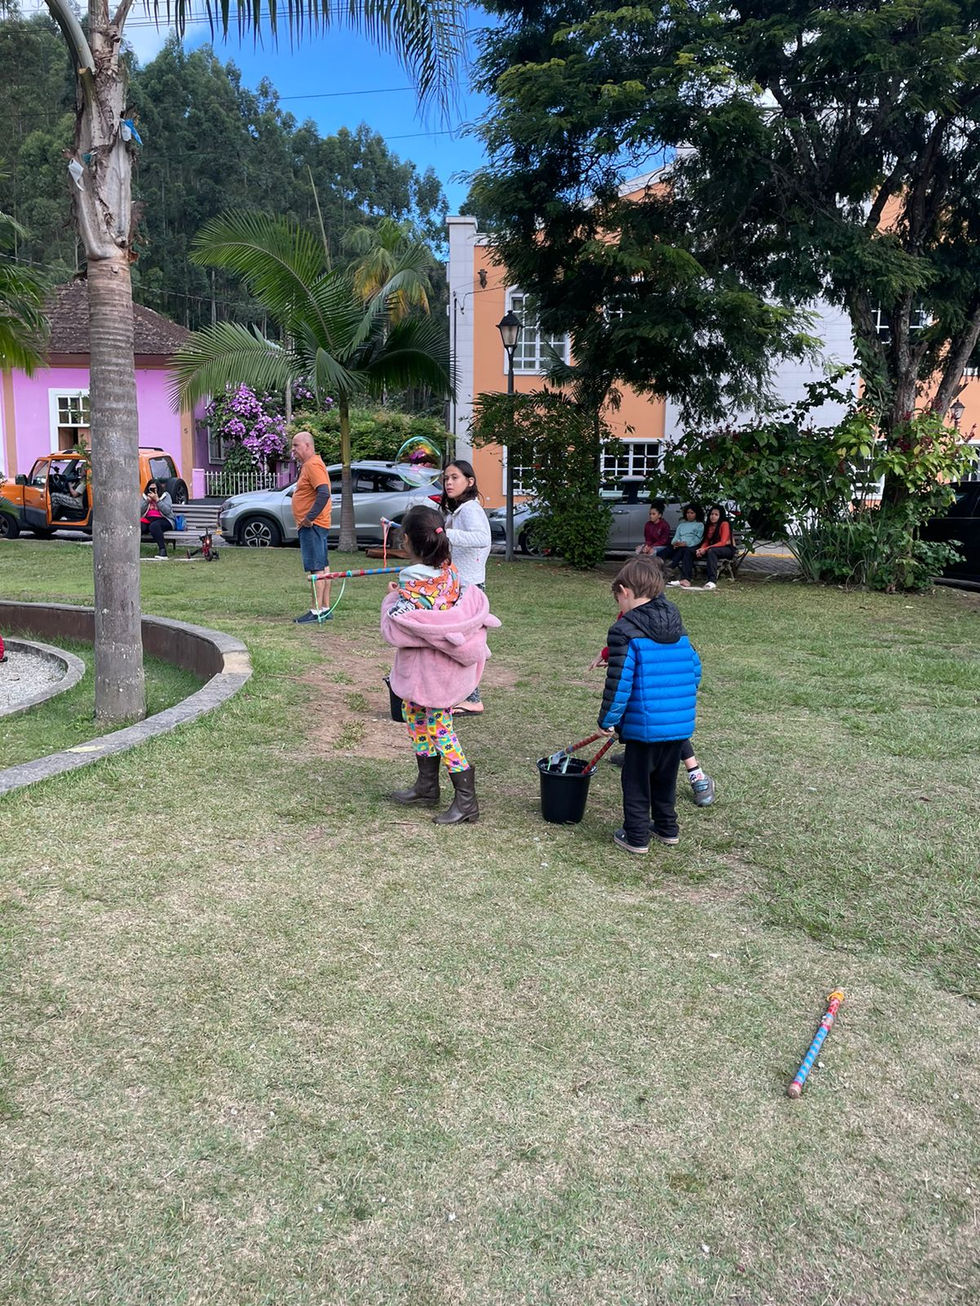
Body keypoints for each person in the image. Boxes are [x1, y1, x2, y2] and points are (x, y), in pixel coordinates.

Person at [381, 504, 500, 825]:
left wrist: (391, 599)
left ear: (406, 542)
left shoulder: (412, 589)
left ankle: (467, 802)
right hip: (432, 671)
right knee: (413, 712)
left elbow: (394, 629)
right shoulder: (450, 573)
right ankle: (427, 785)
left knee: (439, 728)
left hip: (432, 673)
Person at [597, 556, 702, 854]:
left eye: (618, 599)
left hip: (644, 726)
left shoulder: (624, 631)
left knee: (636, 781)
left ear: (624, 591)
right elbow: (695, 670)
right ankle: (668, 828)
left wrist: (607, 720)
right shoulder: (675, 623)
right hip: (677, 724)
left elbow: (619, 684)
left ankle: (636, 836)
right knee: (665, 779)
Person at [441, 459, 492, 714]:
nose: (449, 483)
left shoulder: (471, 509)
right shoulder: (459, 511)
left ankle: (472, 699)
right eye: (446, 478)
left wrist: (446, 534)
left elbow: (482, 539)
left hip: (469, 587)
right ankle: (464, 695)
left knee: (466, 644)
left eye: (454, 478)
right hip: (460, 585)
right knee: (461, 641)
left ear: (469, 481)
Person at [290, 430, 333, 623]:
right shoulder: (311, 464)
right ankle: (325, 608)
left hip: (313, 525)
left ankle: (316, 612)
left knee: (316, 569)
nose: (293, 450)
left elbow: (323, 493)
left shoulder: (313, 465)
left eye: (296, 445)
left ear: (307, 446)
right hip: (317, 525)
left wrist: (309, 518)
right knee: (323, 566)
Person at [691, 503, 735, 588]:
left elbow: (723, 542)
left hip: (727, 549)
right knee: (689, 551)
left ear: (720, 516)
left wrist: (706, 549)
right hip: (714, 548)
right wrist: (701, 549)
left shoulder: (724, 524)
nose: (713, 516)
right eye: (711, 514)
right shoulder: (709, 525)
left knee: (711, 551)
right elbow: (707, 540)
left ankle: (712, 581)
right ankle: (686, 578)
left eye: (716, 514)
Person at [661, 503, 705, 585]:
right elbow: (676, 536)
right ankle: (656, 571)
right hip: (679, 545)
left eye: (692, 513)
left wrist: (686, 544)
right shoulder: (682, 525)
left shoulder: (699, 525)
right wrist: (675, 543)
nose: (689, 515)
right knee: (665, 551)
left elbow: (698, 539)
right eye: (688, 513)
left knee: (684, 551)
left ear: (697, 514)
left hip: (691, 547)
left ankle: (684, 577)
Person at [139, 478, 175, 558]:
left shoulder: (165, 495)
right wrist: (147, 501)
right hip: (148, 519)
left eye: (154, 488)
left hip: (164, 519)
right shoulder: (145, 497)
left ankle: (163, 551)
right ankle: (133, 551)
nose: (152, 490)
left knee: (154, 526)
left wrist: (157, 500)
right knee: (140, 526)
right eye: (150, 488)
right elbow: (139, 511)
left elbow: (167, 511)